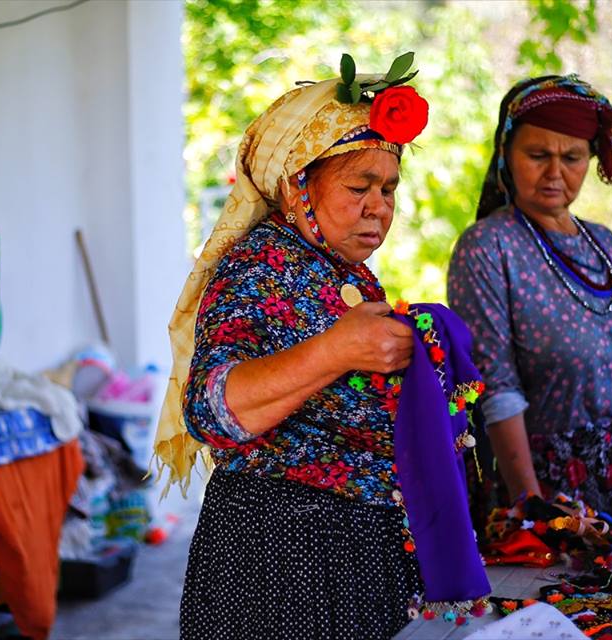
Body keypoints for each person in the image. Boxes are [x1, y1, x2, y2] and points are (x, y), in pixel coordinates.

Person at [152, 59, 452, 639]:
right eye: (359, 187)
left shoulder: (343, 273)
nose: (378, 206)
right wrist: (337, 350)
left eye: (388, 189)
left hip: (349, 559)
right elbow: (211, 410)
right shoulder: (259, 268)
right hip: (282, 564)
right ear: (296, 185)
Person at [448, 75, 612, 529]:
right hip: (560, 490)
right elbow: (496, 387)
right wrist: (532, 507)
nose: (555, 172)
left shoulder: (604, 242)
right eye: (538, 155)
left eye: (572, 157)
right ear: (506, 153)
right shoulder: (488, 248)